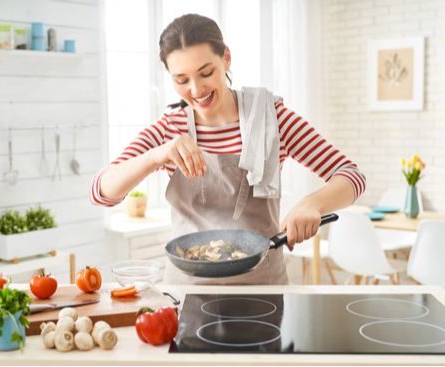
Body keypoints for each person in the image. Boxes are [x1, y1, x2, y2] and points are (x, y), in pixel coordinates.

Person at [90, 14, 366, 285]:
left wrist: (312, 204)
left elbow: (352, 176)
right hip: (187, 292)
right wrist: (156, 155)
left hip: (263, 289)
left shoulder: (271, 118)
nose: (196, 89)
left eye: (206, 73)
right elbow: (101, 192)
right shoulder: (170, 129)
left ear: (226, 58)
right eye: (181, 80)